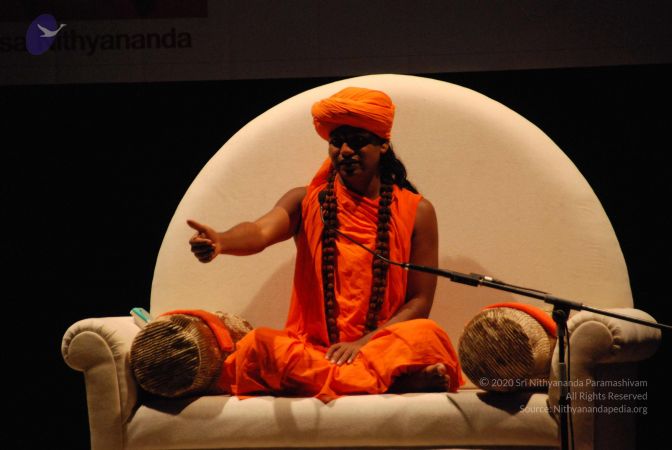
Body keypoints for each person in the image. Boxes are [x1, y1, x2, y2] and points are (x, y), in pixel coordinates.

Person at [187, 87, 463, 402]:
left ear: (383, 144)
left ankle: (347, 377)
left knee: (428, 336)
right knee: (259, 345)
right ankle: (388, 381)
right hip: (316, 349)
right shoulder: (305, 200)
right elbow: (260, 232)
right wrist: (221, 240)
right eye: (337, 142)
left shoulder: (418, 210)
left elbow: (419, 301)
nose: (345, 150)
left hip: (380, 343)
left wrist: (364, 344)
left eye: (357, 141)